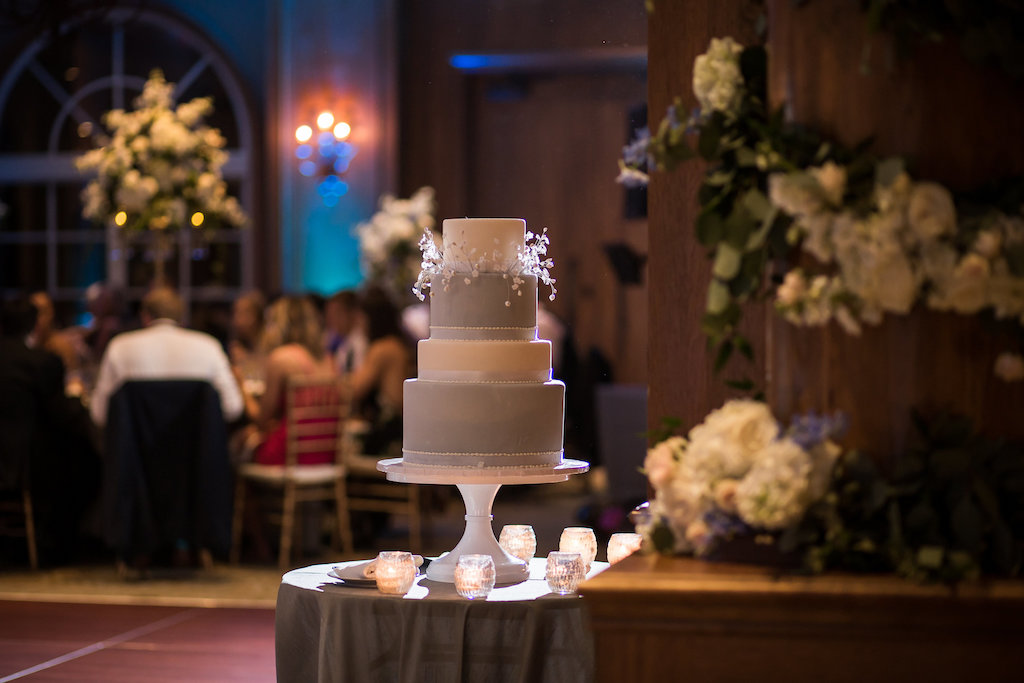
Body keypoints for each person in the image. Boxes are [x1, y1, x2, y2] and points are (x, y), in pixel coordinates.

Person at [0, 294, 100, 565]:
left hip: (10, 458)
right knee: (84, 459)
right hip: (23, 463)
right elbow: (62, 416)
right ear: (35, 326)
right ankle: (68, 547)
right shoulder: (42, 362)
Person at [89, 286, 244, 427]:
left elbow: (99, 414)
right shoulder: (209, 346)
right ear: (182, 319)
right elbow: (232, 408)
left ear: (145, 317)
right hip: (196, 454)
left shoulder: (119, 347)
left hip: (136, 455)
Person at [242, 295, 335, 465]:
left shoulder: (282, 358)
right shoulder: (328, 359)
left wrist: (240, 387)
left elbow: (262, 419)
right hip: (327, 453)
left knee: (239, 443)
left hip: (291, 454)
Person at [345, 286, 415, 457]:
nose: (358, 324)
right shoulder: (398, 344)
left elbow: (353, 391)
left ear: (371, 319)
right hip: (404, 430)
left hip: (390, 434)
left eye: (361, 318)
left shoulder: (382, 349)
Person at [324, 289, 368, 374]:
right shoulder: (344, 344)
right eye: (330, 314)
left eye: (337, 313)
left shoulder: (361, 343)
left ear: (352, 313)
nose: (332, 319)